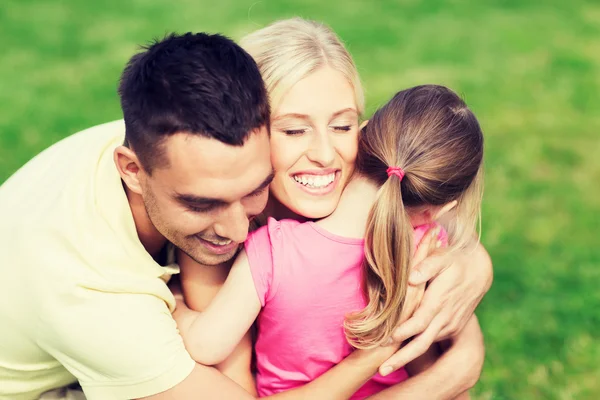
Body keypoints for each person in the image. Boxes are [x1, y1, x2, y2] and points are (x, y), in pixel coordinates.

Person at [0, 32, 376, 400]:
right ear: (131, 170)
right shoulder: (94, 293)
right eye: (201, 204)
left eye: (254, 190)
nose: (239, 231)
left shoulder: (180, 132)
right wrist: (382, 356)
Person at [177, 18, 492, 399]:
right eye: (294, 130)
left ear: (367, 130)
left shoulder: (276, 251)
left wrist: (476, 269)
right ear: (241, 134)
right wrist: (455, 367)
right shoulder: (219, 238)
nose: (325, 155)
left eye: (342, 126)